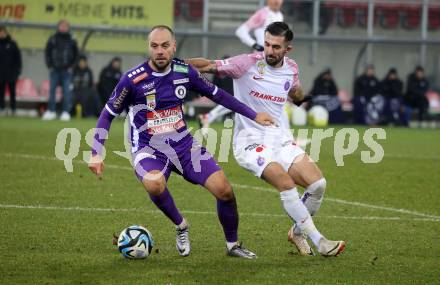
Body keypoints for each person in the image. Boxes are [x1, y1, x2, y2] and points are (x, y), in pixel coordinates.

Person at [88, 25, 274, 259]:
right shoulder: (133, 80)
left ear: (173, 47)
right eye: (154, 46)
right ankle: (181, 225)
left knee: (224, 190)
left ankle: (233, 245)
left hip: (183, 145)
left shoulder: (185, 72)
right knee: (154, 184)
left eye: (165, 46)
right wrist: (96, 151)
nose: (160, 51)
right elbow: (107, 114)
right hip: (148, 148)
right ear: (149, 48)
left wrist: (254, 115)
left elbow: (219, 95)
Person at [187, 22, 345, 257]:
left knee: (318, 184)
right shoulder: (247, 63)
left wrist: (302, 98)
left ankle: (297, 232)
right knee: (286, 183)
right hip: (249, 143)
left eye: (276, 47)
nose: (269, 50)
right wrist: (176, 65)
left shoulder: (291, 68)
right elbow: (209, 65)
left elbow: (295, 91)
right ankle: (320, 240)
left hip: (280, 139)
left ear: (287, 49)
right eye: (267, 44)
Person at [199, 0, 289, 132]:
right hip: (260, 64)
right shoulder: (263, 14)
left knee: (250, 98)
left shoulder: (279, 16)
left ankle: (208, 117)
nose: (276, 1)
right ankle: (289, 139)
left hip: (270, 63)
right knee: (276, 97)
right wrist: (255, 45)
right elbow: (241, 31)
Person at [42, 19, 79, 121]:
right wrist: (49, 65)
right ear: (58, 27)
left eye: (65, 26)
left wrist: (72, 67)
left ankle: (65, 112)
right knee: (52, 91)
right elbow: (47, 52)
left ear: (68, 28)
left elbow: (76, 55)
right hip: (54, 70)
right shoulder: (53, 39)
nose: (63, 28)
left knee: (67, 92)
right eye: (61, 26)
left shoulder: (72, 39)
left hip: (67, 71)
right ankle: (51, 111)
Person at [0, 25, 21, 116]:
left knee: (13, 92)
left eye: (2, 32)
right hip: (1, 73)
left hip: (12, 73)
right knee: (1, 92)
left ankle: (13, 109)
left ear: (5, 32)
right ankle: (2, 108)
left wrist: (17, 71)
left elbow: (18, 59)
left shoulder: (12, 44)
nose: (1, 34)